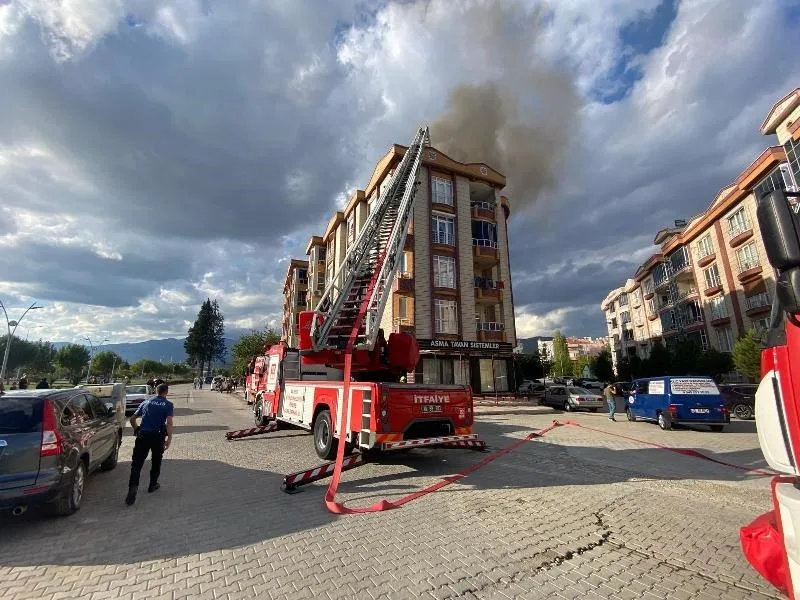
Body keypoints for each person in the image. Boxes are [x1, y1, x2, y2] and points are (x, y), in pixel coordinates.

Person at [126, 383, 174, 506]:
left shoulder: (145, 402)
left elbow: (132, 419)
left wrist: (136, 429)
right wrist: (169, 439)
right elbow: (169, 422)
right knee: (156, 460)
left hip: (143, 435)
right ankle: (153, 484)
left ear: (156, 391)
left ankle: (133, 488)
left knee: (137, 463)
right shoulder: (168, 405)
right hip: (158, 436)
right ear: (166, 392)